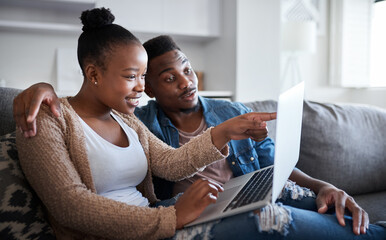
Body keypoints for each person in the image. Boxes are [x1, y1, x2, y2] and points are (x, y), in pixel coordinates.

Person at [14, 10, 386, 239]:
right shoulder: (45, 120)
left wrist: (225, 131)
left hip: (163, 219)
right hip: (153, 226)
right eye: (133, 76)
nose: (141, 88)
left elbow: (170, 162)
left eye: (143, 76)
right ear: (93, 74)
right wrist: (172, 217)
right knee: (267, 217)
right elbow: (71, 207)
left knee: (275, 192)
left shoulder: (125, 119)